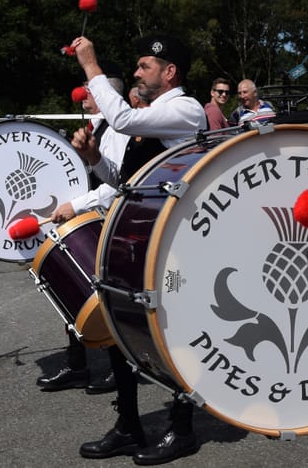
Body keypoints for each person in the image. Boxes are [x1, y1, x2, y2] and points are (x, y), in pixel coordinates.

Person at [70, 33, 206, 464]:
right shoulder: (154, 116)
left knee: (175, 334)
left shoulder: (186, 109)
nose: (136, 72)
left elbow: (124, 120)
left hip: (173, 242)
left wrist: (90, 66)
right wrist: (94, 159)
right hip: (138, 238)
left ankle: (182, 428)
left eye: (144, 65)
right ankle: (128, 425)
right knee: (121, 329)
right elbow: (124, 182)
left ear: (170, 73)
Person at [37, 72, 130, 396]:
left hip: (106, 220)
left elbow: (117, 183)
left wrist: (77, 204)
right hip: (89, 217)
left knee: (107, 295)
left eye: (90, 91)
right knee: (72, 292)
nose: (83, 94)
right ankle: (77, 365)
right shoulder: (96, 127)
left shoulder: (117, 129)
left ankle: (121, 369)